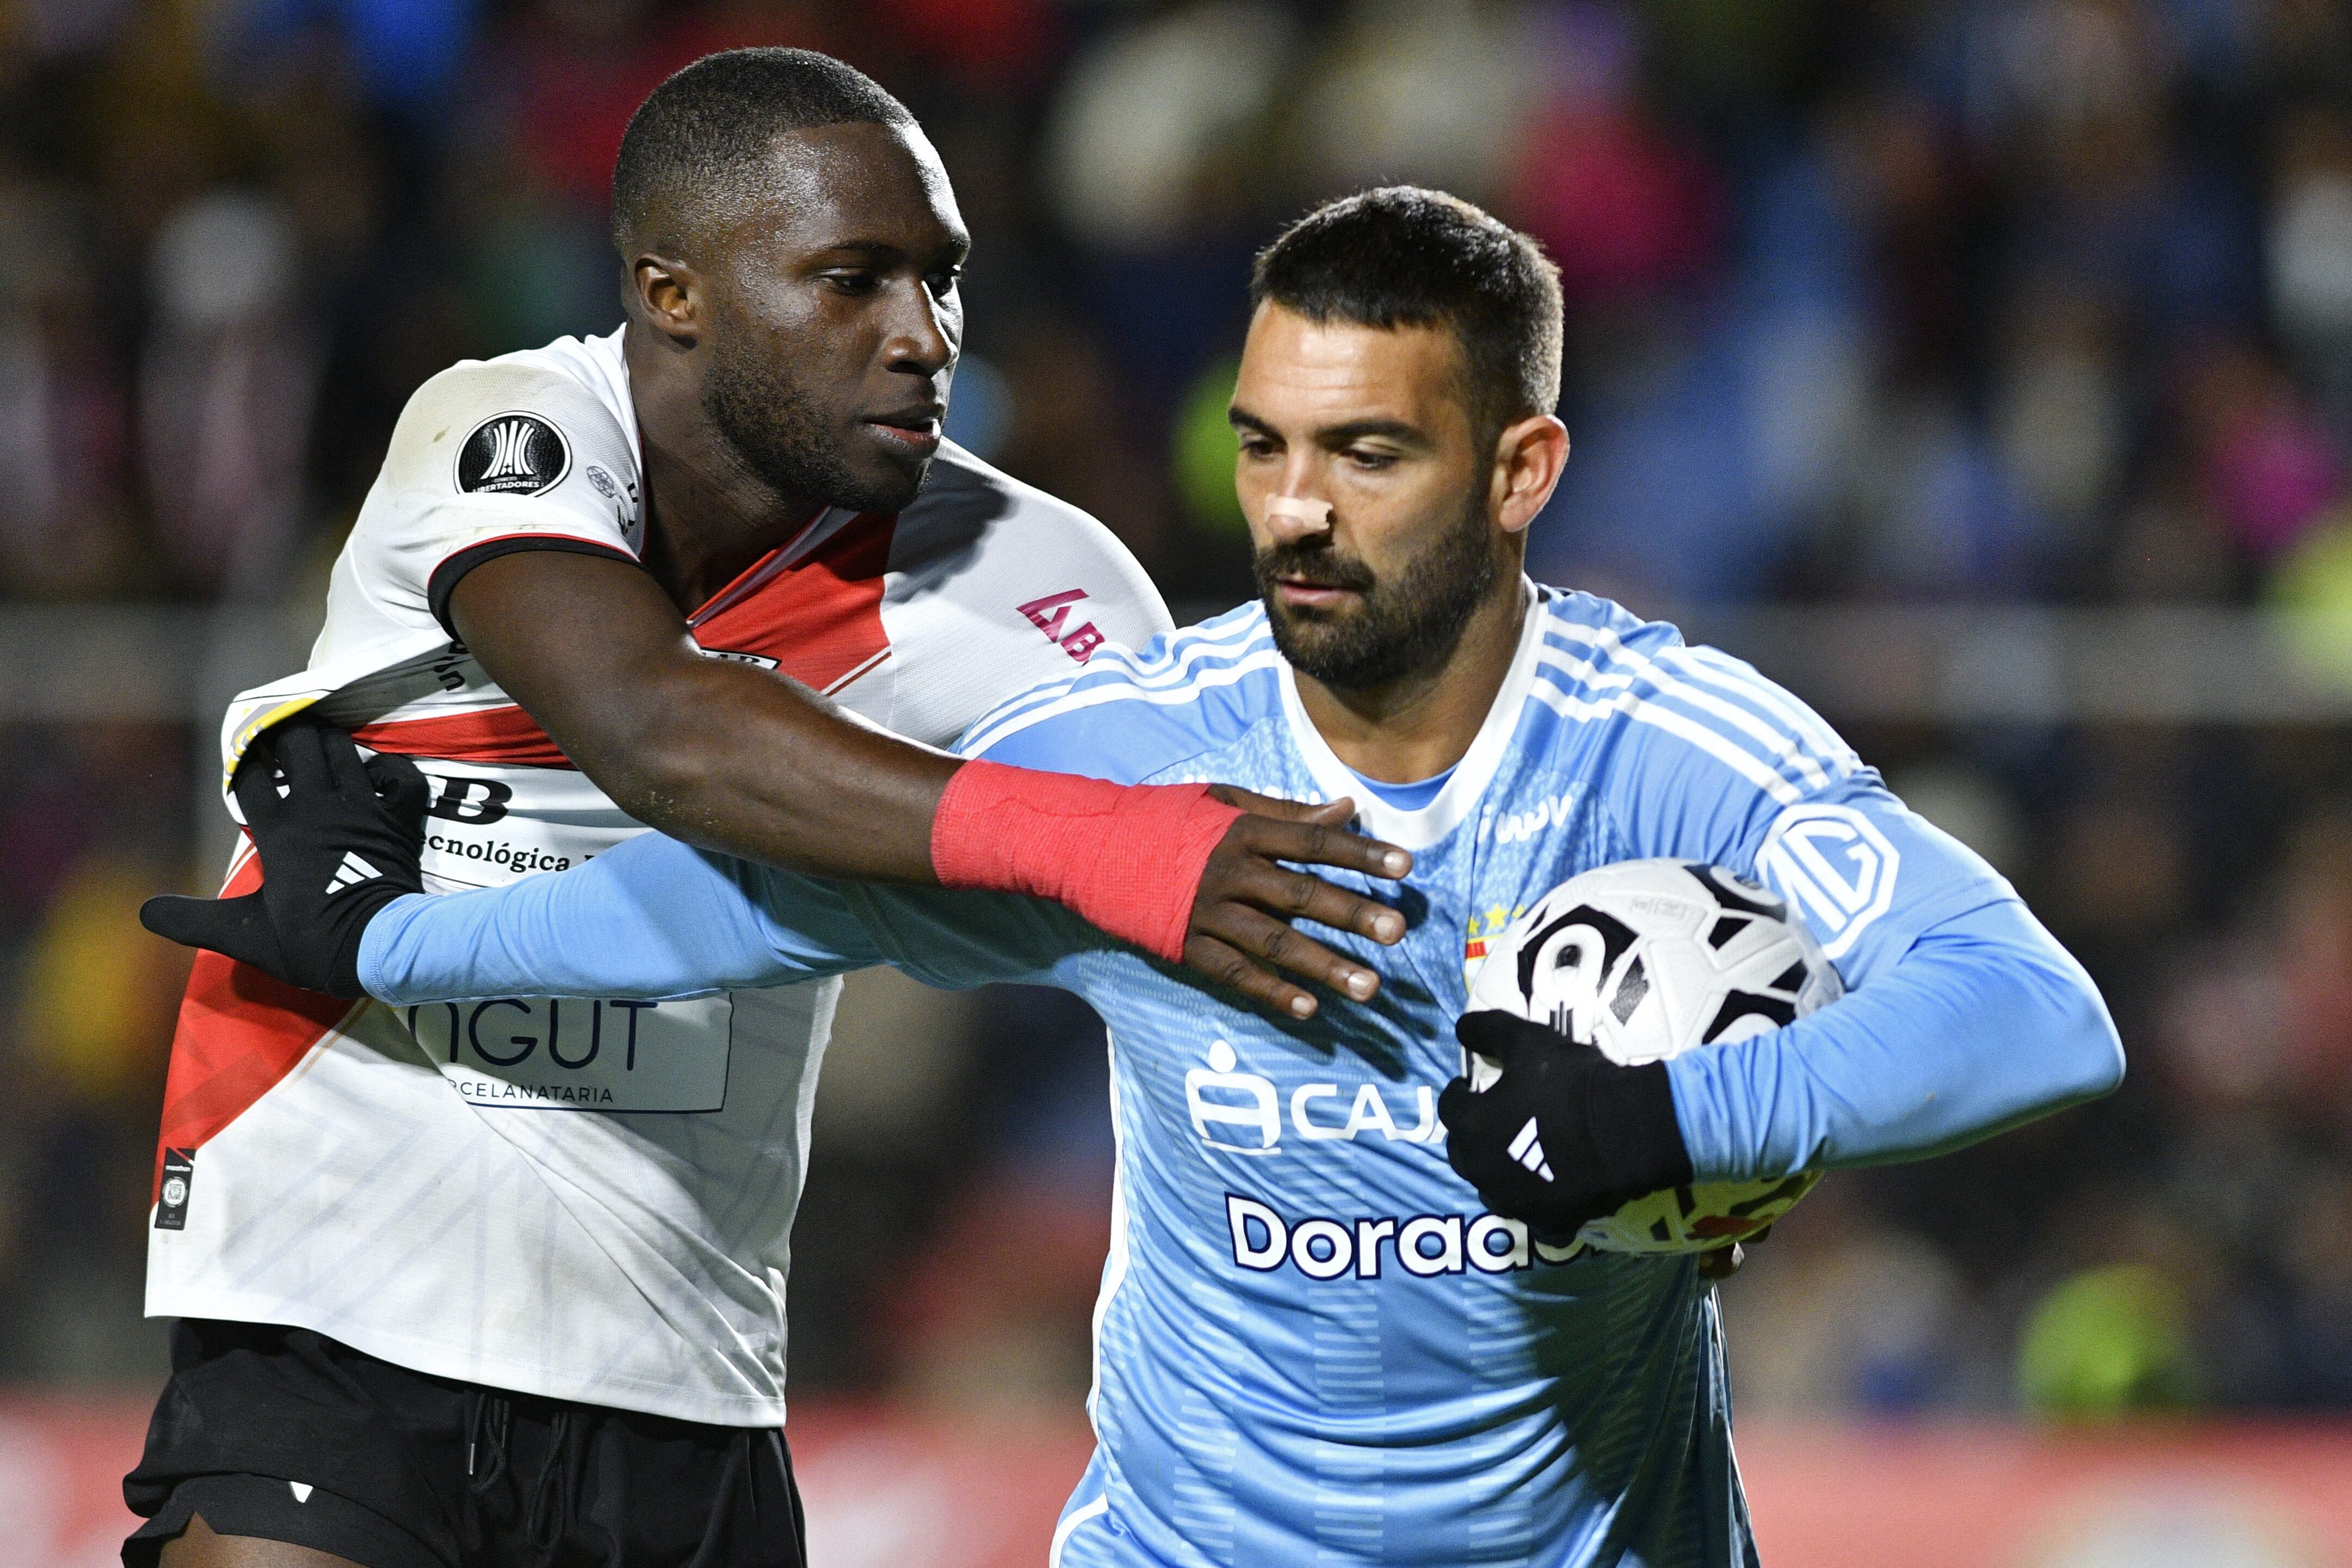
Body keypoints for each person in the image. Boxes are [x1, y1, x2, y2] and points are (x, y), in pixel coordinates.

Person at [153, 188, 2125, 1566]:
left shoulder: (1665, 747)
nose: (1295, 511)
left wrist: (1668, 1118)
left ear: (1520, 471)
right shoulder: (1137, 756)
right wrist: (386, 938)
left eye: (1368, 454)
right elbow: (743, 906)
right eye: (1264, 447)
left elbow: (2032, 1010)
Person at [124, 50, 1410, 1568]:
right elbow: (659, 731)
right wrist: (1089, 843)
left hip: (678, 1369)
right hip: (327, 1303)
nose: (923, 336)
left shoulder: (1031, 579)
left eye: (942, 279)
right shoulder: (507, 425)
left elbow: (1246, 880)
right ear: (673, 292)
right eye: (853, 281)